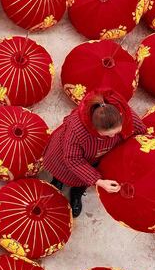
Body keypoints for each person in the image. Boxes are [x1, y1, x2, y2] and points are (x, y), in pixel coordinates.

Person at [43, 89, 146, 218]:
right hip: (66, 154)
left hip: (98, 155)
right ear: (94, 128)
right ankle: (57, 181)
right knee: (62, 170)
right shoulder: (78, 131)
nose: (114, 136)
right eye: (108, 135)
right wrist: (99, 181)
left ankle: (77, 193)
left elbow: (140, 131)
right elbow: (72, 159)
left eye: (117, 132)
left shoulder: (121, 113)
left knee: (83, 180)